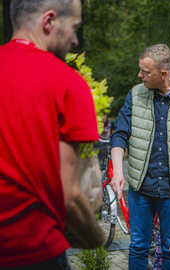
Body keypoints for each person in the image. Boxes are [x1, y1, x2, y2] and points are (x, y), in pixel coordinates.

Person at [0, 0, 104, 268]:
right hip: (36, 251)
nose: (74, 40)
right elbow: (67, 195)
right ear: (48, 21)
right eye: (73, 28)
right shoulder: (68, 83)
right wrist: (95, 237)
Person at [110, 44, 170, 270]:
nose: (139, 75)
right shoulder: (134, 94)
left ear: (163, 74)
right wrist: (118, 171)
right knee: (138, 246)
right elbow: (120, 134)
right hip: (141, 189)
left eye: (145, 71)